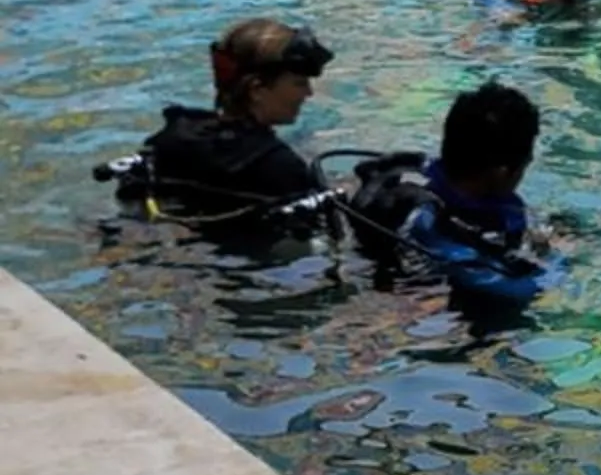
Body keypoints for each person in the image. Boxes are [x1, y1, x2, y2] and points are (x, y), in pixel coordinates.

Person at [348, 82, 547, 327]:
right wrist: (553, 262)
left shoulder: (412, 176)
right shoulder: (435, 226)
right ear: (501, 172)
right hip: (410, 306)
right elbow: (516, 289)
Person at [120, 18, 335, 224]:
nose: (308, 93)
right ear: (257, 90)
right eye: (299, 83)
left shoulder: (170, 140)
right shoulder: (280, 167)